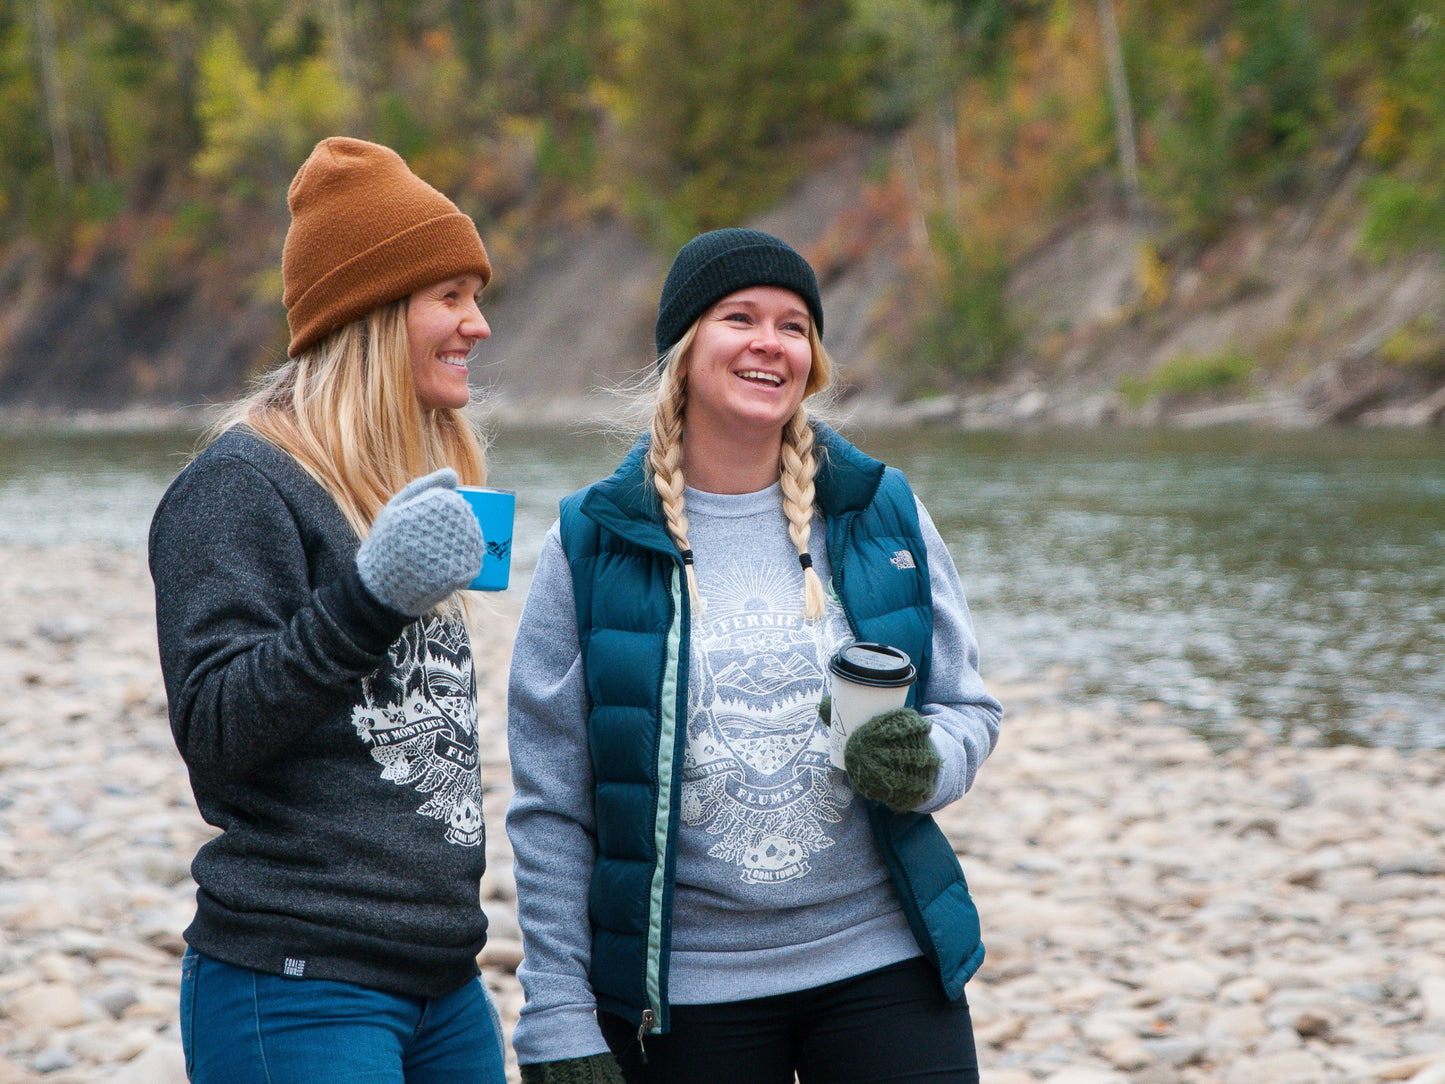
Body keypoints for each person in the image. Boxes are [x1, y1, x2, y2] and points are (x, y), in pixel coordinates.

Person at [506, 227, 1004, 1084]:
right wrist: (556, 1012)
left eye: (793, 326)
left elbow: (967, 707)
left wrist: (925, 765)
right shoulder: (590, 542)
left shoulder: (877, 510)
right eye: (740, 317)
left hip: (882, 960)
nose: (769, 344)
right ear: (683, 346)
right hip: (685, 992)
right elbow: (552, 802)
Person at [149, 136, 508, 1084]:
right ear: (374, 312)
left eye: (476, 297)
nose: (477, 325)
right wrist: (369, 596)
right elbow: (215, 728)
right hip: (297, 983)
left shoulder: (398, 488)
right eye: (451, 297)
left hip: (444, 984)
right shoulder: (238, 486)